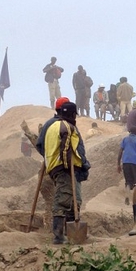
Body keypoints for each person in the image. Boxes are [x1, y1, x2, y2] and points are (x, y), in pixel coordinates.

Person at [37, 101, 91, 245]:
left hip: (54, 166)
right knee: (63, 199)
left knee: (70, 200)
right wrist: (69, 167)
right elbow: (66, 149)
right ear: (72, 114)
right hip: (64, 168)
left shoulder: (52, 126)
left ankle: (69, 233)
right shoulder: (66, 127)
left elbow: (42, 147)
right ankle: (59, 236)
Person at [118, 126, 136, 206]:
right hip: (135, 162)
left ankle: (127, 196)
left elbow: (120, 152)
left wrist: (118, 164)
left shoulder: (125, 139)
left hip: (126, 162)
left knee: (128, 181)